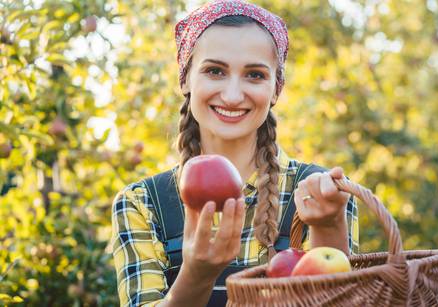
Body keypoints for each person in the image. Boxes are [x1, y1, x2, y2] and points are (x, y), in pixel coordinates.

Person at [110, 1, 359, 306]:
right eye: (215, 71)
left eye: (254, 75)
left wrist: (329, 226)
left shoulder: (320, 193)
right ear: (186, 78)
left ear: (276, 89)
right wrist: (197, 274)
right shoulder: (143, 204)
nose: (231, 95)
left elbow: (339, 300)